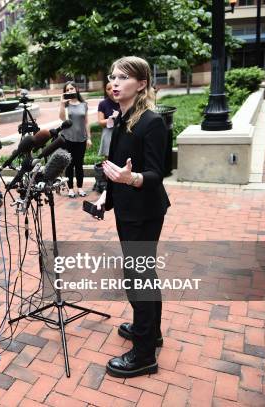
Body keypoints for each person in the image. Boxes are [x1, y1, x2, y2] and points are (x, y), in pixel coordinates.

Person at [92, 56, 170, 378]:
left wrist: (130, 179)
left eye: (123, 77)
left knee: (139, 276)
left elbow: (156, 173)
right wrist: (105, 195)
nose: (114, 81)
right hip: (126, 208)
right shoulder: (121, 120)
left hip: (145, 211)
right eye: (112, 76)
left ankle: (143, 354)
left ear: (141, 84)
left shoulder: (151, 121)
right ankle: (151, 332)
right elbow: (115, 169)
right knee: (141, 272)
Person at [59, 81, 91, 198]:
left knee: (79, 165)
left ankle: (80, 188)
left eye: (71, 89)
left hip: (81, 139)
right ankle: (71, 189)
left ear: (76, 89)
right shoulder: (66, 105)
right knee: (69, 165)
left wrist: (89, 138)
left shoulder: (84, 104)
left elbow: (87, 122)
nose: (69, 91)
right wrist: (62, 103)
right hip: (68, 138)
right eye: (67, 90)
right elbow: (62, 118)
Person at [95, 82, 120, 192]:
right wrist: (112, 118)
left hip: (121, 132)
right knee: (109, 160)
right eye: (108, 88)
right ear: (106, 90)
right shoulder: (103, 104)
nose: (111, 90)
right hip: (108, 133)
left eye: (113, 87)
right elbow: (100, 122)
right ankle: (108, 185)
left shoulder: (123, 100)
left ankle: (120, 184)